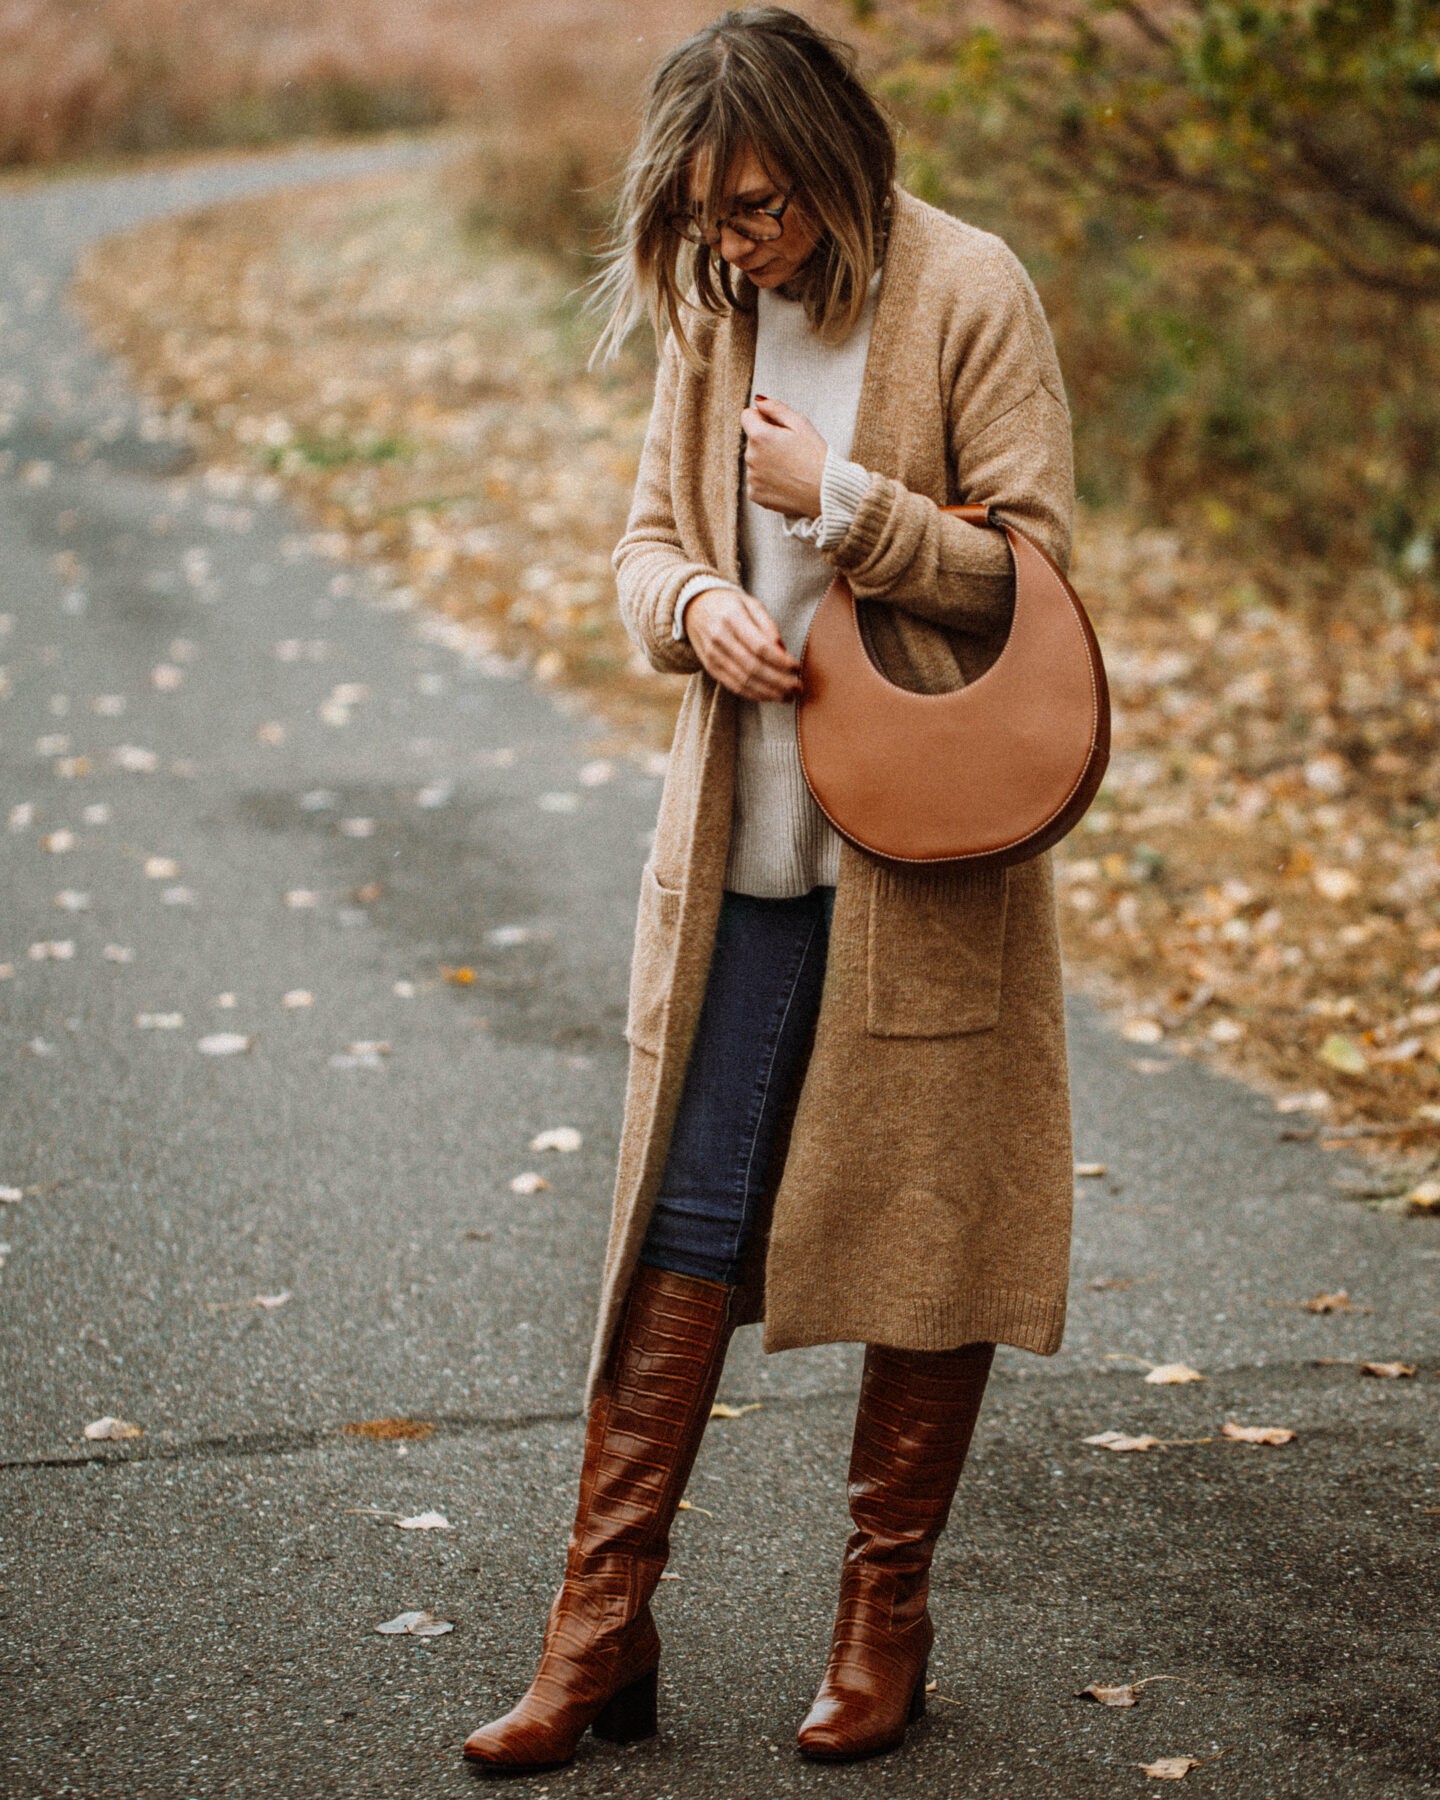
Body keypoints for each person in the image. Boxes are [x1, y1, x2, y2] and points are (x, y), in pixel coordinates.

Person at [463, 5, 1076, 1773]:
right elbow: (647, 543)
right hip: (742, 862)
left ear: (830, 154)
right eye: (712, 218)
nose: (740, 243)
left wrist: (851, 504)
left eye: (760, 205)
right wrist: (691, 610)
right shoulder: (718, 315)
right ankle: (599, 1635)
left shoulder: (970, 291)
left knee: (928, 1238)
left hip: (924, 865)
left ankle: (887, 1617)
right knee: (682, 1233)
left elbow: (1035, 579)